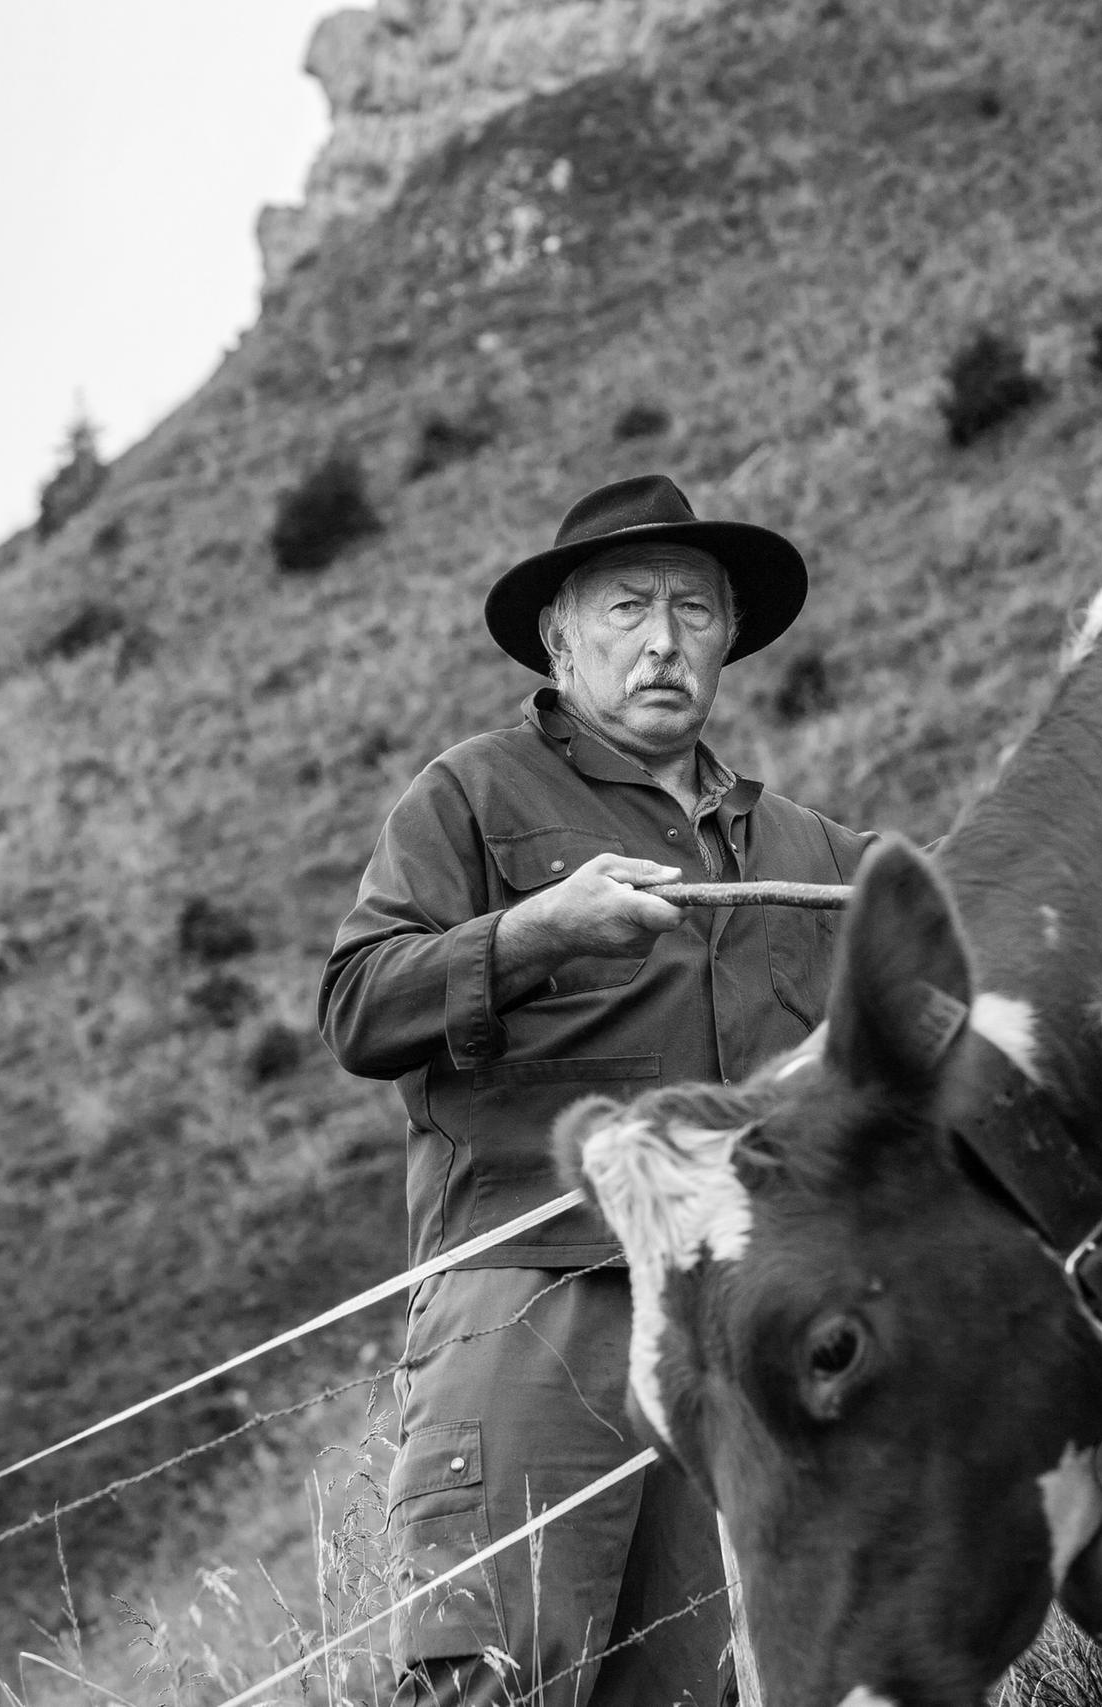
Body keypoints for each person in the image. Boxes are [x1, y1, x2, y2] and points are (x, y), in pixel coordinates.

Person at [319, 474, 873, 1707]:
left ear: (732, 636)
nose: (663, 640)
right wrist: (533, 934)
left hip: (729, 1334)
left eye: (693, 609)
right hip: (534, 1302)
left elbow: (964, 935)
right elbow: (357, 1004)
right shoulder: (468, 795)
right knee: (498, 1676)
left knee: (697, 1687)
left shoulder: (812, 852)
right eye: (626, 607)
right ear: (560, 638)